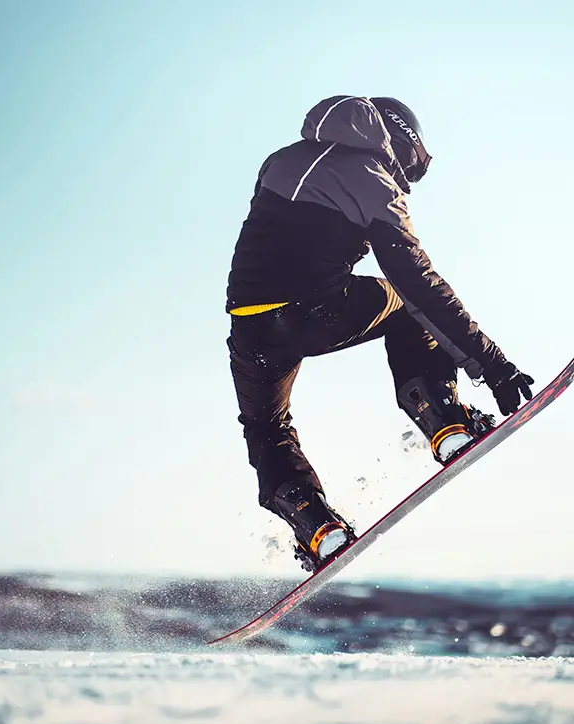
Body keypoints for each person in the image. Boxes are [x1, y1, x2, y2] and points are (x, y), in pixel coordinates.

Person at [225, 95, 534, 572]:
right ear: (402, 141)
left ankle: (316, 528)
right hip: (313, 310)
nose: (407, 180)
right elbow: (420, 287)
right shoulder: (372, 179)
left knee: (267, 426)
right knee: (409, 308)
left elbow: (272, 244)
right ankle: (445, 423)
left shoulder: (282, 159)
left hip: (250, 321)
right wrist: (493, 365)